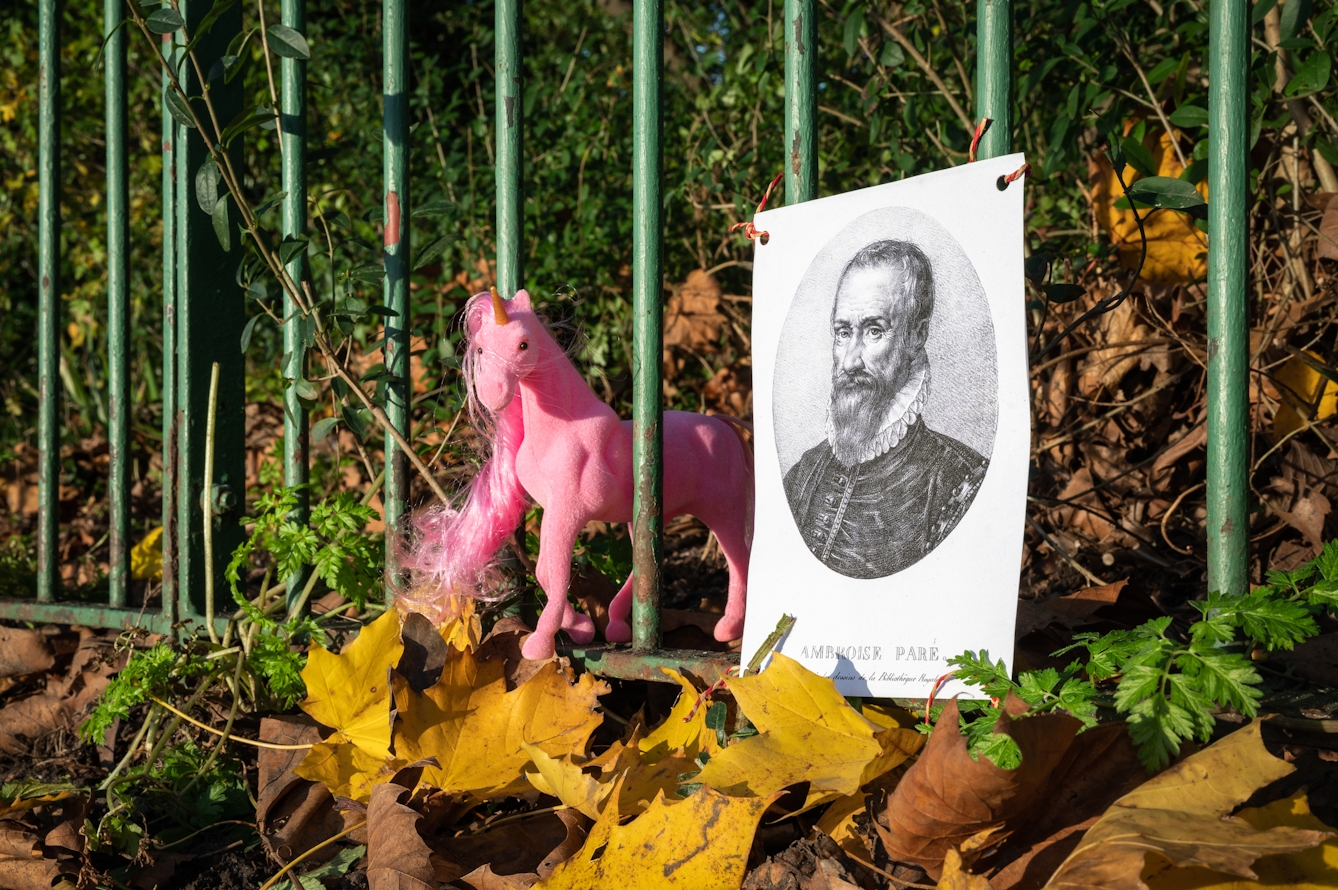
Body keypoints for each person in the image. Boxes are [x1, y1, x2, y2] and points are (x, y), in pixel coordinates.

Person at [783, 240, 988, 579]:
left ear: (916, 336)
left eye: (874, 331)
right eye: (843, 332)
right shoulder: (802, 475)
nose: (850, 360)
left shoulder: (960, 481)